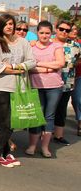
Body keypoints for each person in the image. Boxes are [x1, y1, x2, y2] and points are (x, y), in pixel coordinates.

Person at [0, 14, 36, 167]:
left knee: (12, 121)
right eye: (6, 24)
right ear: (0, 26)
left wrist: (15, 67)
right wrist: (18, 70)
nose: (9, 26)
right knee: (5, 120)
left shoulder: (23, 42)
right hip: (1, 87)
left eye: (11, 23)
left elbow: (32, 62)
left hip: (19, 87)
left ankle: (5, 152)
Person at [25, 21, 65, 158]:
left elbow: (60, 63)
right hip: (36, 85)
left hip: (54, 86)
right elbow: (29, 67)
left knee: (49, 116)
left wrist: (40, 64)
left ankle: (45, 147)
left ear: (51, 33)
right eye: (42, 32)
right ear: (37, 32)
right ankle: (32, 146)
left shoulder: (56, 46)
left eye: (47, 33)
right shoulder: (31, 47)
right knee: (37, 115)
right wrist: (50, 68)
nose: (44, 35)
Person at [52, 20, 81, 146]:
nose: (64, 32)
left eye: (67, 30)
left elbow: (78, 61)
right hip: (49, 83)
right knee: (47, 109)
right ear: (56, 28)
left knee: (61, 109)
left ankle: (58, 135)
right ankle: (43, 134)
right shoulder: (49, 42)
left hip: (67, 83)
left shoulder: (75, 46)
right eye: (61, 29)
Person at [70, 24, 81, 136]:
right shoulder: (57, 44)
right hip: (63, 78)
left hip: (78, 76)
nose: (74, 31)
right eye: (71, 29)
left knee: (78, 99)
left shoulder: (79, 44)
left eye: (75, 29)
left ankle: (80, 123)